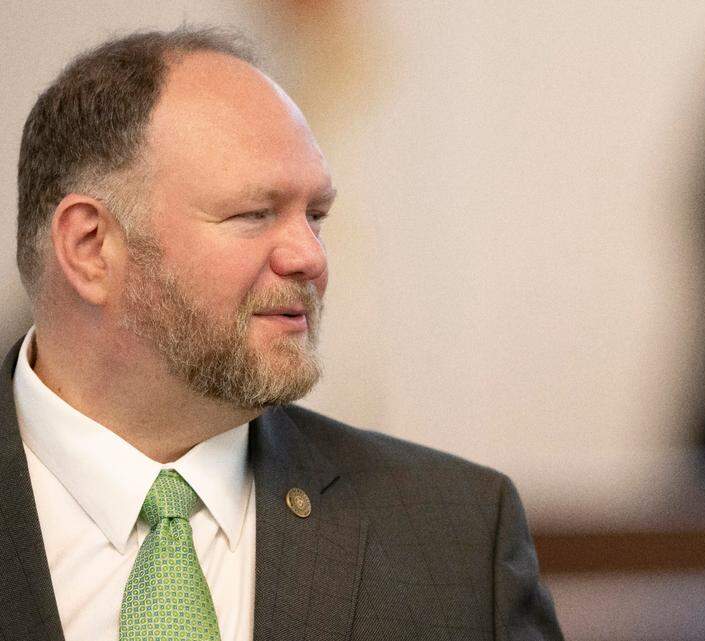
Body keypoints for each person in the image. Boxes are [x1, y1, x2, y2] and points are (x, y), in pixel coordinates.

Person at [6, 27, 563, 641]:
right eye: (254, 215)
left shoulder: (456, 539)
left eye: (315, 216)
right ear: (90, 248)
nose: (310, 257)